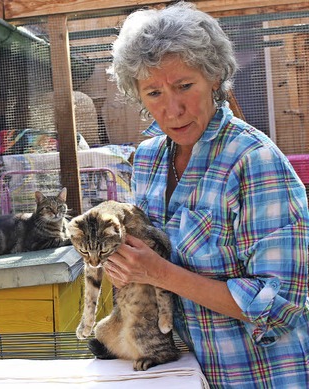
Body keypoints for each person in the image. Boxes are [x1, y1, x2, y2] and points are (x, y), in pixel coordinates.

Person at [102, 2, 309, 387]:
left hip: (256, 375)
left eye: (184, 86)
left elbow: (281, 307)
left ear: (214, 78)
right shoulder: (147, 159)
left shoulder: (253, 162)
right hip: (181, 372)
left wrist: (159, 272)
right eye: (153, 92)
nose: (173, 109)